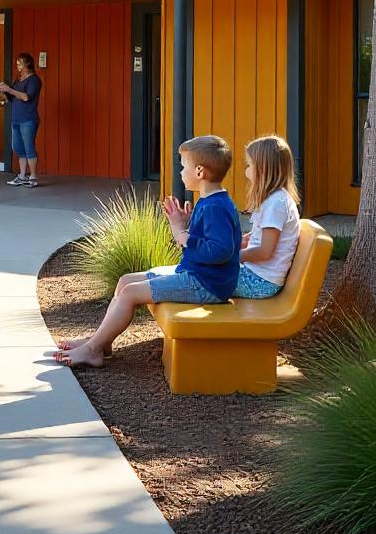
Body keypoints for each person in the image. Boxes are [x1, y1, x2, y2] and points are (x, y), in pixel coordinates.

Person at [55, 135, 240, 368]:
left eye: (184, 167)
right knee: (124, 282)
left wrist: (181, 233)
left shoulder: (215, 206)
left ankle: (92, 350)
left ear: (200, 172)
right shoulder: (209, 201)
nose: (181, 173)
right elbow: (205, 244)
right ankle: (101, 343)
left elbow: (221, 251)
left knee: (130, 293)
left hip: (207, 284)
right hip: (196, 275)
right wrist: (186, 227)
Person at [235, 135, 301, 298]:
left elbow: (265, 252)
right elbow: (264, 236)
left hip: (259, 281)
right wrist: (244, 240)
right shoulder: (275, 200)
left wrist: (232, 258)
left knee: (203, 277)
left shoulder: (276, 203)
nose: (246, 171)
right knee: (203, 269)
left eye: (249, 165)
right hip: (257, 277)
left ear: (263, 169)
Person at [0, 52, 42, 188]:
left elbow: (26, 97)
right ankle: (22, 176)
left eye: (20, 63)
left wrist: (9, 89)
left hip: (28, 119)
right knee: (18, 148)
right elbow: (12, 97)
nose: (18, 66)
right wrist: (4, 92)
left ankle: (32, 177)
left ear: (27, 63)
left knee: (29, 148)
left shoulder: (34, 80)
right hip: (15, 119)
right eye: (17, 63)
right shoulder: (18, 80)